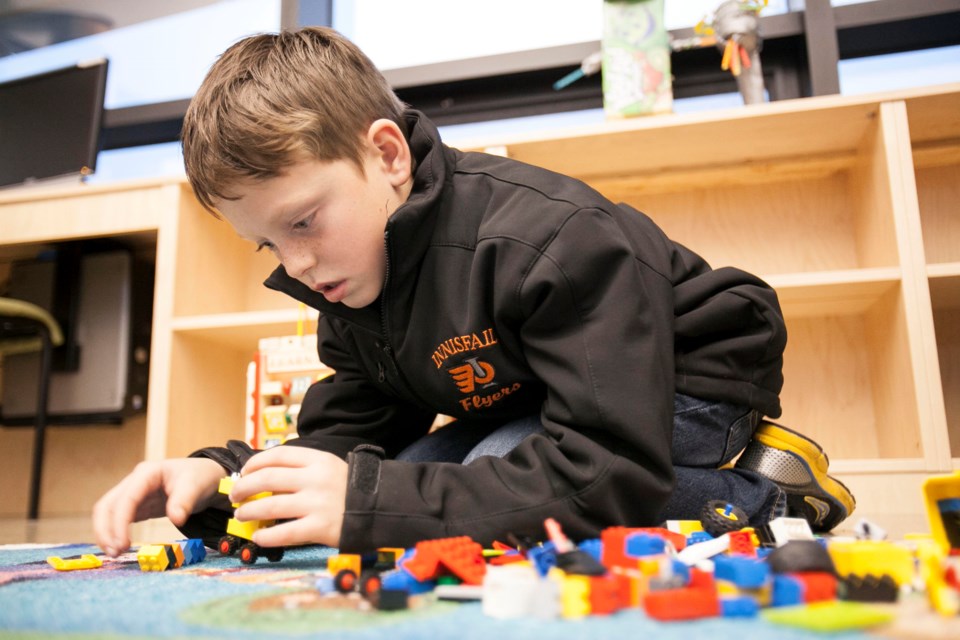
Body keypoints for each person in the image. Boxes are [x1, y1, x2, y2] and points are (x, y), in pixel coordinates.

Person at [92, 27, 855, 556]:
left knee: (451, 484)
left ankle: (763, 498)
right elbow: (348, 443)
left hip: (684, 378)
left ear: (387, 156)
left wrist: (377, 501)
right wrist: (222, 481)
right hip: (543, 397)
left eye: (304, 222)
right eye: (268, 243)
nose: (295, 265)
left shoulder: (548, 240)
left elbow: (604, 468)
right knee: (419, 471)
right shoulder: (351, 286)